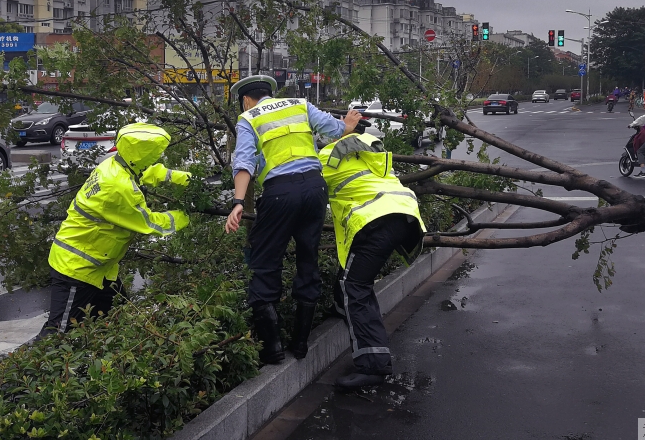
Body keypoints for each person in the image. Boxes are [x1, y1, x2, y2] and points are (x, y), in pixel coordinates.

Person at [224, 75, 362, 365]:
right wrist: (347, 124)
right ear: (269, 94)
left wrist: (238, 202)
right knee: (307, 258)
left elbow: (245, 161)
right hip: (314, 188)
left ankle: (273, 350)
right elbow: (335, 129)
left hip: (280, 194)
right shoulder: (299, 104)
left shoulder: (249, 117)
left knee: (264, 263)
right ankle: (300, 344)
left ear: (246, 99)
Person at [39, 123, 192, 337]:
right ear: (139, 153)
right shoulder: (120, 187)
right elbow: (150, 224)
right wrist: (187, 214)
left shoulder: (114, 165)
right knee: (57, 333)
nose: (155, 157)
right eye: (152, 153)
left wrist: (188, 179)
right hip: (76, 269)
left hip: (99, 268)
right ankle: (33, 370)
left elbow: (152, 172)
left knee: (116, 321)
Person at [318, 132, 425, 389]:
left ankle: (373, 366)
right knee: (350, 277)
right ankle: (343, 308)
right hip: (403, 214)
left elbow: (309, 195)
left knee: (355, 286)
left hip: (377, 222)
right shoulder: (360, 154)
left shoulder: (324, 160)